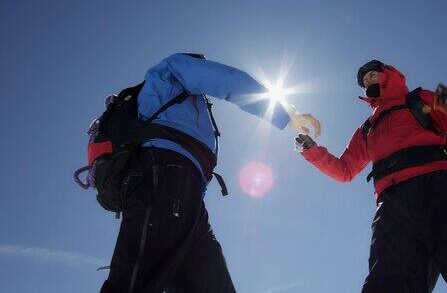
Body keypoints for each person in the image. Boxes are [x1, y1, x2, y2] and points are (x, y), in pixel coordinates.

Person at [100, 53, 320, 293]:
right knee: (134, 279)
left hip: (185, 187)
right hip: (163, 173)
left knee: (210, 283)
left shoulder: (175, 97)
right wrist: (285, 114)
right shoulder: (173, 68)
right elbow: (224, 80)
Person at [295, 60, 447, 292]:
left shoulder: (418, 100)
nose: (367, 82)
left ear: (389, 76)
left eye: (372, 75)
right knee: (387, 280)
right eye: (364, 82)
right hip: (392, 202)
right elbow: (345, 170)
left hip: (438, 184)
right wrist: (312, 151)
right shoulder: (367, 129)